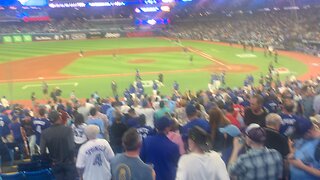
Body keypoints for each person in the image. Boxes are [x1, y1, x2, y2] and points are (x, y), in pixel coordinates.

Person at [40, 110, 77, 180]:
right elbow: (71, 147)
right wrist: (72, 159)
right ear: (59, 117)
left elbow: (42, 151)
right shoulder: (68, 130)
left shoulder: (45, 133)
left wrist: (50, 161)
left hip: (55, 164)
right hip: (68, 163)